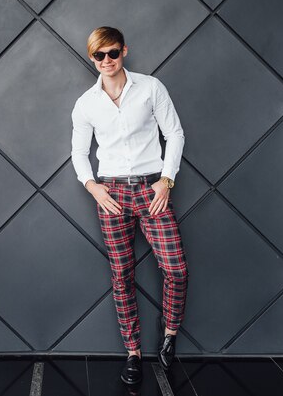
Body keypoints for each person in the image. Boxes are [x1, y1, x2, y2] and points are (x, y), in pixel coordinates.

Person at [70, 26, 189, 385]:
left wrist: (166, 181)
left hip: (153, 192)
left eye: (113, 53)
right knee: (122, 276)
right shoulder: (86, 103)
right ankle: (133, 353)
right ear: (92, 58)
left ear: (124, 51)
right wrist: (93, 187)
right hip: (112, 196)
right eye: (99, 55)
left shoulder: (151, 88)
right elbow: (78, 152)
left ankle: (169, 336)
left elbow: (176, 134)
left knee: (177, 269)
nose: (106, 61)